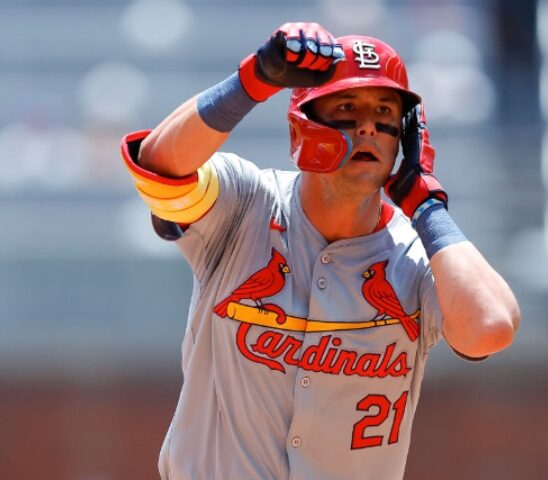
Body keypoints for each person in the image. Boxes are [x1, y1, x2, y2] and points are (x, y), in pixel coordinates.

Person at [121, 22, 520, 480]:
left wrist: (426, 206)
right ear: (298, 134)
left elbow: (490, 327)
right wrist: (253, 81)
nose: (368, 125)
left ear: (404, 138)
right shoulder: (245, 203)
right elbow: (158, 166)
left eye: (385, 111)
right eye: (347, 106)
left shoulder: (418, 257)